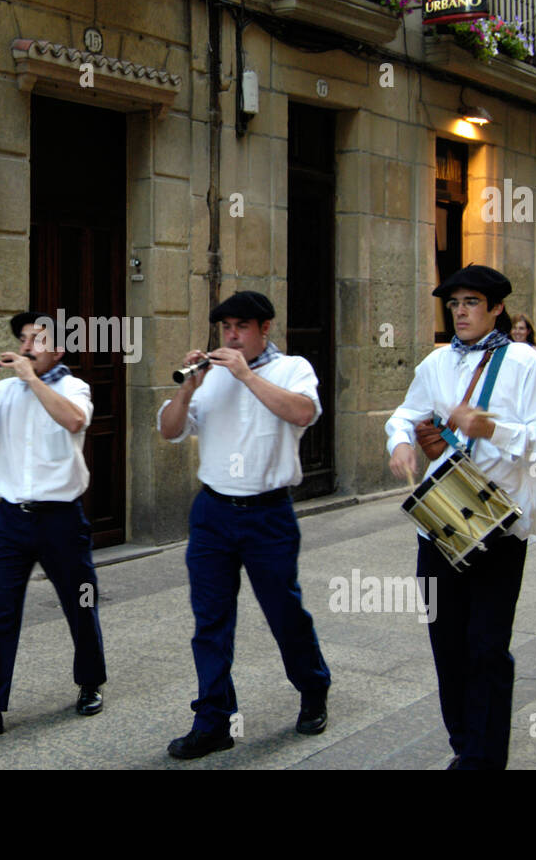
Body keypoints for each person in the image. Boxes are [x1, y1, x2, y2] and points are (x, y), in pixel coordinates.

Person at [386, 265, 536, 769]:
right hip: (441, 522)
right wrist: (400, 442)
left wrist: (490, 428)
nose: (460, 312)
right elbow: (405, 413)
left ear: (496, 308)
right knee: (447, 645)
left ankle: (483, 762)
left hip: (497, 525)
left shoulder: (525, 362)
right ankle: (464, 746)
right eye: (454, 303)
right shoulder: (437, 363)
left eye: (470, 302)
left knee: (486, 648)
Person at [158, 290, 330, 760]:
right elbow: (170, 429)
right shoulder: (208, 377)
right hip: (213, 512)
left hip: (268, 514)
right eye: (226, 328)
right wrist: (187, 387)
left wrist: (245, 374)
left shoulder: (293, 369)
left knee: (284, 613)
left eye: (241, 328)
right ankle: (213, 719)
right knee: (210, 621)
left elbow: (303, 412)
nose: (231, 336)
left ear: (264, 329)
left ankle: (313, 686)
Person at [0, 312, 106, 737]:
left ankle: (90, 681)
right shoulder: (3, 392)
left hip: (62, 520)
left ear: (59, 348)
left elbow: (73, 421)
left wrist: (33, 381)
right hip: (12, 519)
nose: (29, 344)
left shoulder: (75, 387)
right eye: (24, 337)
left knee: (81, 602)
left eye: (38, 338)